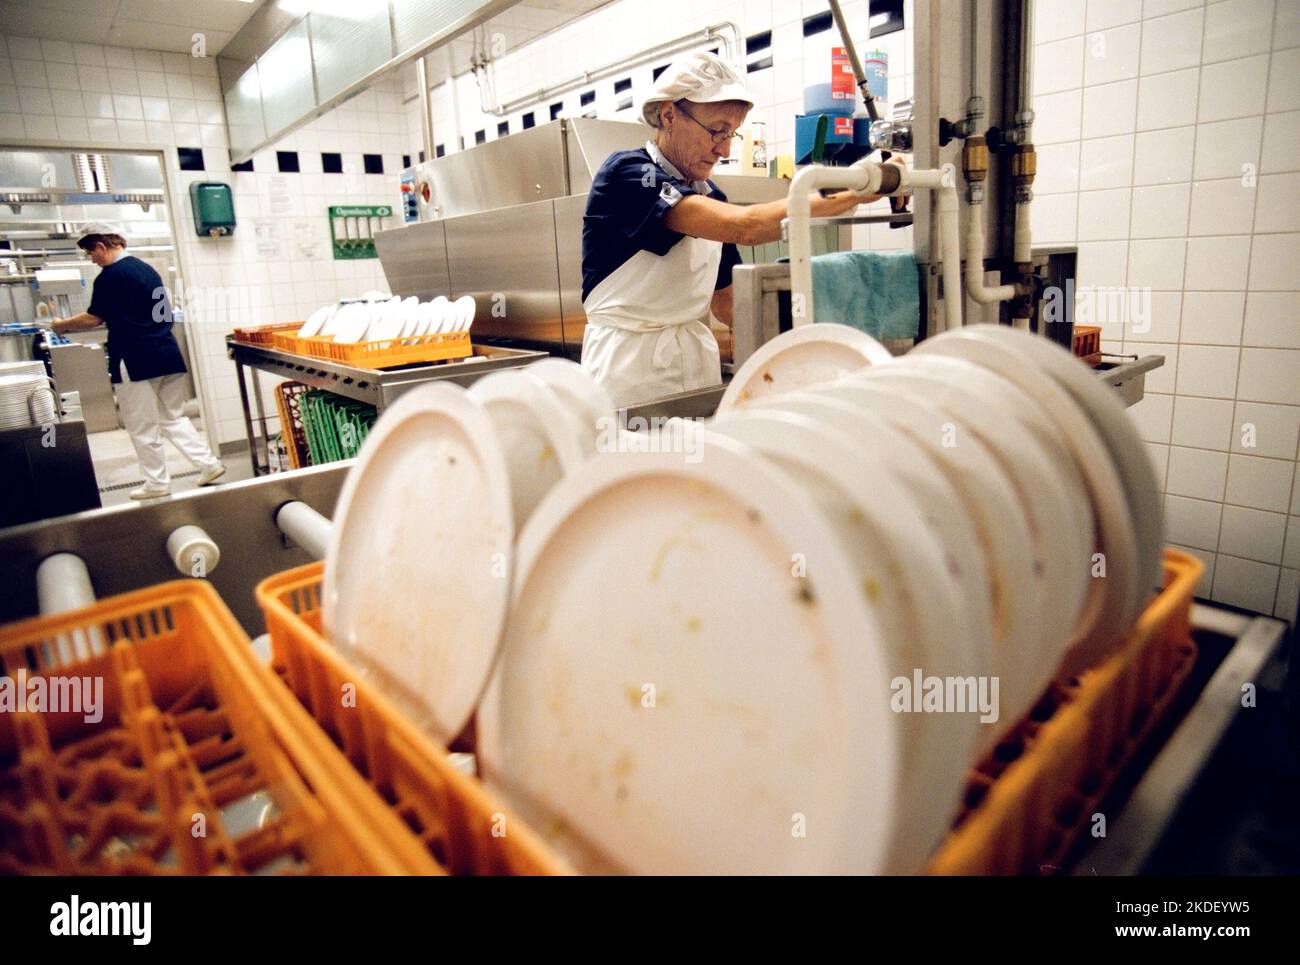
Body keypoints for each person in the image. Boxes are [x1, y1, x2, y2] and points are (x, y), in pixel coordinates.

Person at [580, 50, 891, 408]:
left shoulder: (711, 193)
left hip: (695, 370)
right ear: (669, 115)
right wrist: (858, 190)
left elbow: (727, 305)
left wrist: (783, 366)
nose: (724, 149)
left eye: (732, 135)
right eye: (717, 131)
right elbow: (745, 226)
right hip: (628, 373)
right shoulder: (631, 173)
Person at [52, 224, 225, 499]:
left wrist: (61, 325)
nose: (91, 259)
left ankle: (156, 483)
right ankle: (209, 464)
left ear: (101, 246)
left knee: (141, 425)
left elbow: (93, 318)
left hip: (135, 359)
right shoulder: (147, 270)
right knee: (172, 417)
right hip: (167, 353)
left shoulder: (110, 276)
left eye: (90, 253)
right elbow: (163, 312)